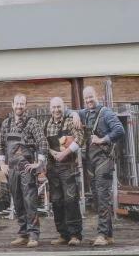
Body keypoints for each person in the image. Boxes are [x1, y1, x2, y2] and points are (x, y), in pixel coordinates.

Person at [75, 86, 126, 246]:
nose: (89, 100)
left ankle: (102, 235)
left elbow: (120, 130)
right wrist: (75, 114)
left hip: (104, 161)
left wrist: (103, 139)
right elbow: (70, 111)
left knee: (103, 197)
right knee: (98, 198)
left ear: (96, 96)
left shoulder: (107, 113)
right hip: (92, 161)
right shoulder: (85, 113)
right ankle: (108, 235)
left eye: (91, 97)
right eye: (86, 99)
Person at [0, 94, 46, 247]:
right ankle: (23, 233)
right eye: (17, 103)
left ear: (26, 105)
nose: (19, 106)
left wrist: (38, 163)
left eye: (22, 104)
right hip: (12, 169)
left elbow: (42, 143)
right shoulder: (6, 123)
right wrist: (2, 164)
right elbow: (0, 144)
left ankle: (33, 235)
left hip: (26, 169)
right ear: (12, 104)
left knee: (30, 202)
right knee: (17, 202)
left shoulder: (32, 123)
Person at [44, 97, 84, 246]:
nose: (56, 110)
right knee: (56, 201)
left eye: (59, 107)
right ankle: (63, 234)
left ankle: (75, 235)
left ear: (64, 107)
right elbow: (42, 142)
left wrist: (65, 153)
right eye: (53, 107)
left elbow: (80, 138)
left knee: (71, 200)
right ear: (50, 109)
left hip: (68, 167)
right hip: (53, 168)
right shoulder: (46, 124)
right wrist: (51, 152)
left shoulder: (70, 120)